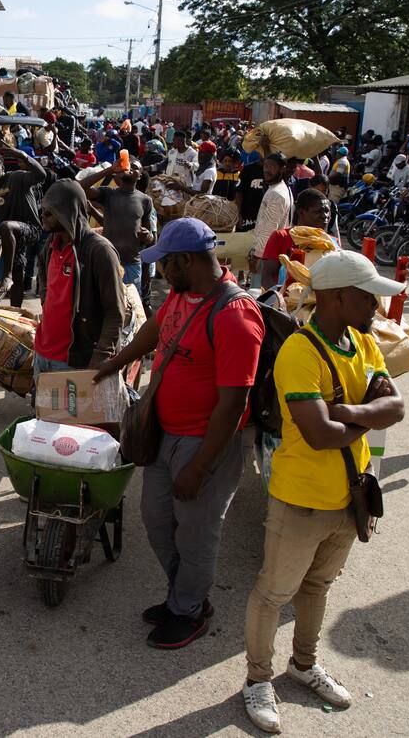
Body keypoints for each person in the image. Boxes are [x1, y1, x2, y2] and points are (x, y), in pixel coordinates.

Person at [242, 251, 406, 734]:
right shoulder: (300, 351)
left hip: (349, 495)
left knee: (318, 587)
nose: (377, 304)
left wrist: (347, 412)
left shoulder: (363, 341)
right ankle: (257, 679)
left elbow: (395, 406)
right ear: (337, 297)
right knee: (274, 593)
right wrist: (361, 413)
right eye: (368, 294)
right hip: (302, 499)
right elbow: (317, 434)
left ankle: (303, 664)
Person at [94, 218, 264, 650]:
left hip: (203, 446)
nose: (162, 272)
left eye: (166, 264)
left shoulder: (235, 315)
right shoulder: (182, 294)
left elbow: (234, 404)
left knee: (196, 532)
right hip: (164, 436)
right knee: (156, 521)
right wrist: (113, 365)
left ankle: (188, 609)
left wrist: (200, 466)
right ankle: (185, 597)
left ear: (187, 260)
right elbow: (155, 329)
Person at [33, 179, 129, 374]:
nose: (43, 215)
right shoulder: (52, 242)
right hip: (42, 353)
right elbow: (42, 268)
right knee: (41, 405)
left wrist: (101, 355)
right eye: (42, 210)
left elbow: (115, 311)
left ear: (69, 211)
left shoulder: (98, 251)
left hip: (75, 361)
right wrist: (45, 298)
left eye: (50, 212)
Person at [0, 145, 48, 308]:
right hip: (11, 235)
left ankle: (6, 274)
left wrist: (24, 156)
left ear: (3, 168)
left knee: (6, 226)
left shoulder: (16, 178)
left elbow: (41, 175)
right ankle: (15, 311)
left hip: (31, 229)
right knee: (19, 275)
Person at [79, 159, 156, 294]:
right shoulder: (109, 194)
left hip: (132, 264)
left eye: (135, 167)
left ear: (140, 175)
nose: (129, 168)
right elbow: (80, 188)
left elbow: (151, 239)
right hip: (107, 262)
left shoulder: (145, 200)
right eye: (128, 165)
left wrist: (148, 237)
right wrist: (109, 170)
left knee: (130, 309)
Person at [259, 189, 334, 290]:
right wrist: (281, 300)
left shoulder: (332, 242)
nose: (325, 216)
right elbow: (267, 277)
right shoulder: (281, 237)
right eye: (318, 211)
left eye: (327, 211)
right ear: (301, 212)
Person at [250, 153, 293, 278]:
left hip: (267, 256)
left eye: (272, 166)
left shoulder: (277, 194)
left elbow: (269, 228)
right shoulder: (280, 188)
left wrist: (257, 256)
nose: (267, 170)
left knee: (260, 292)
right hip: (273, 253)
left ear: (282, 168)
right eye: (265, 166)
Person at [235, 152, 265, 228]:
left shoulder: (276, 172)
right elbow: (239, 192)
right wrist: (238, 214)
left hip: (266, 218)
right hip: (248, 217)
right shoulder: (248, 169)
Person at [308, 174, 341, 244]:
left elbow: (335, 230)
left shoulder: (331, 206)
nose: (320, 194)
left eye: (323, 191)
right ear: (310, 188)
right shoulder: (301, 204)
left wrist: (339, 247)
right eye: (317, 190)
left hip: (322, 244)